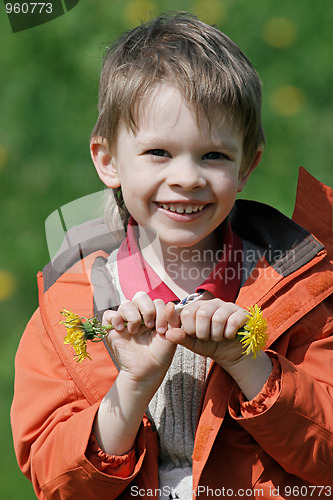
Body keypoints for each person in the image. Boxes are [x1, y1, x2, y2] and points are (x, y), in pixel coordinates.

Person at [11, 12, 333, 500]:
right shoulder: (68, 310)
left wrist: (249, 364)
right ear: (108, 160)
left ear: (247, 166)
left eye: (214, 156)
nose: (187, 178)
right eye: (159, 152)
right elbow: (57, 483)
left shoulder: (301, 291)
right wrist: (133, 386)